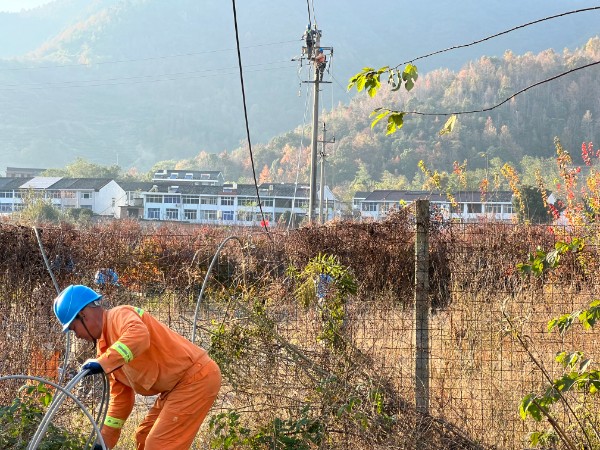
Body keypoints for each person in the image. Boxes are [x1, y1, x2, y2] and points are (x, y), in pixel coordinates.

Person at [53, 285, 221, 450]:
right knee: (144, 437)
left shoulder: (119, 315)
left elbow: (139, 336)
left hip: (196, 378)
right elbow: (121, 399)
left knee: (159, 445)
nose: (78, 336)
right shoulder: (105, 349)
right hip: (176, 387)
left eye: (74, 328)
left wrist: (103, 363)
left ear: (83, 315)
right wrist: (103, 442)